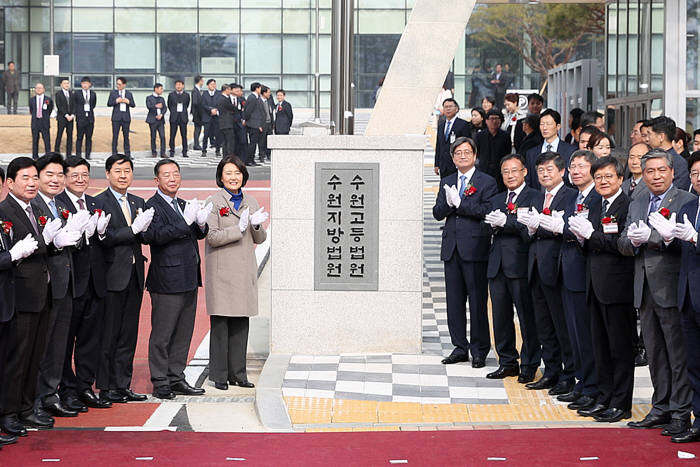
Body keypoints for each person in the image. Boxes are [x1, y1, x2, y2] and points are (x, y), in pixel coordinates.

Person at [620, 149, 696, 434]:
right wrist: (634, 242)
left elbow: (684, 243)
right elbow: (623, 241)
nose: (656, 176)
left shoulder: (686, 200)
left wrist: (655, 238)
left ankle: (680, 411)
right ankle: (660, 406)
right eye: (650, 171)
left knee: (677, 354)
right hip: (644, 287)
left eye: (661, 170)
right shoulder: (638, 200)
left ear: (672, 171)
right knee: (655, 353)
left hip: (672, 287)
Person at [568, 156, 634, 423]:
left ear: (620, 178)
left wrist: (590, 236)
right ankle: (604, 397)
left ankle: (621, 403)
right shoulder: (596, 204)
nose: (603, 181)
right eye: (598, 178)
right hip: (593, 284)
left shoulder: (625, 205)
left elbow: (618, 243)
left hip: (617, 287)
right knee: (600, 346)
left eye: (608, 177)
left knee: (619, 348)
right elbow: (593, 242)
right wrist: (582, 237)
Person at [142, 159, 210, 399]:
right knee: (162, 334)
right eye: (166, 175)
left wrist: (201, 223)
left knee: (183, 333)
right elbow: (152, 236)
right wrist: (186, 222)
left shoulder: (183, 204)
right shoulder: (152, 206)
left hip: (189, 277)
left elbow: (196, 233)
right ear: (156, 180)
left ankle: (176, 376)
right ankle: (160, 380)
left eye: (176, 174)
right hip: (167, 280)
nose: (172, 178)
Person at [542, 150, 601, 411]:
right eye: (573, 166)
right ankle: (581, 382)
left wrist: (561, 227)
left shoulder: (597, 196)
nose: (576, 171)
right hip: (566, 270)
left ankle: (591, 386)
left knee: (585, 335)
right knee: (573, 334)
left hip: (583, 273)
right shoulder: (574, 196)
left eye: (581, 166)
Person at [433, 137, 498, 367]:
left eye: (466, 152)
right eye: (458, 153)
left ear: (474, 155)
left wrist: (461, 204)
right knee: (454, 301)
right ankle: (459, 347)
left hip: (476, 248)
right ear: (452, 157)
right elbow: (437, 212)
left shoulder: (486, 182)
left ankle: (479, 349)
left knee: (478, 301)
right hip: (452, 249)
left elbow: (487, 211)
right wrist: (450, 203)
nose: (462, 156)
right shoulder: (448, 181)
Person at [95, 155, 154, 404]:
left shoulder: (137, 201)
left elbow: (145, 237)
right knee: (108, 333)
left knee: (129, 334)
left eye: (127, 171)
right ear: (108, 174)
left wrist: (146, 228)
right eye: (118, 171)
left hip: (134, 277)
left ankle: (122, 384)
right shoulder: (98, 202)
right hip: (111, 277)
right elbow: (105, 237)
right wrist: (132, 229)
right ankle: (106, 386)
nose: (123, 175)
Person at [205, 156, 268, 390]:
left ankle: (238, 374)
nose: (234, 177)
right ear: (221, 177)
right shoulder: (214, 202)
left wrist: (257, 225)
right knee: (221, 325)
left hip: (243, 272)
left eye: (238, 173)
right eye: (229, 173)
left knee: (241, 324)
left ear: (244, 176)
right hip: (222, 273)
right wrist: (238, 228)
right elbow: (211, 237)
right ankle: (219, 375)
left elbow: (259, 239)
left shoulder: (250, 200)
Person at [518, 152, 577, 395]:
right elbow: (525, 234)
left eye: (549, 170)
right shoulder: (536, 196)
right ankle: (550, 371)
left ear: (562, 172)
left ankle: (569, 374)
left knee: (562, 326)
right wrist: (532, 229)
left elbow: (566, 230)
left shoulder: (570, 196)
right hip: (535, 268)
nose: (544, 174)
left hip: (557, 269)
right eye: (540, 170)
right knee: (544, 326)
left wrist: (542, 227)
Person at [32, 154, 86, 422]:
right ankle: (34, 401)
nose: (55, 180)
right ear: (37, 177)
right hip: (42, 287)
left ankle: (50, 395)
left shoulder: (59, 205)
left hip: (65, 285)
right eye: (49, 175)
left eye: (59, 175)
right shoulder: (34, 207)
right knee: (39, 346)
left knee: (57, 346)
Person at [56, 156, 112, 411]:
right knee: (67, 339)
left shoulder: (94, 202)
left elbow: (103, 242)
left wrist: (100, 233)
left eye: (85, 175)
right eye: (75, 175)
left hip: (95, 281)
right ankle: (67, 390)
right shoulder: (59, 204)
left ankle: (84, 386)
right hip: (71, 283)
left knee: (90, 339)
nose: (80, 180)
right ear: (66, 178)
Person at [0, 157, 49, 436]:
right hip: (18, 296)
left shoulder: (36, 208)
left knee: (34, 356)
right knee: (17, 358)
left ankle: (27, 408)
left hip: (41, 292)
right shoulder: (4, 212)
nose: (32, 183)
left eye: (34, 178)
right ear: (10, 183)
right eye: (25, 179)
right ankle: (8, 412)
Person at [483, 153, 541, 383]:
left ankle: (529, 363)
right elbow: (485, 225)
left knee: (527, 317)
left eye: (514, 170)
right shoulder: (497, 199)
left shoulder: (534, 197)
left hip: (521, 265)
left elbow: (528, 230)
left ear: (524, 171)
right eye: (506, 171)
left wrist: (506, 223)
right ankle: (507, 361)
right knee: (500, 317)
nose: (510, 175)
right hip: (497, 266)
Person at [671, 151, 700, 443]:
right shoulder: (690, 206)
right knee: (694, 364)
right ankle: (698, 420)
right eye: (694, 173)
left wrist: (696, 238)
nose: (699, 177)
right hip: (688, 296)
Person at [525, 109, 576, 191]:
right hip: (538, 199)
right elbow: (528, 181)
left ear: (558, 126)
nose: (544, 128)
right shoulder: (531, 153)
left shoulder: (570, 151)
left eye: (548, 124)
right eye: (542, 124)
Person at [646, 116, 691, 191]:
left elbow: (677, 193)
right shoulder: (649, 158)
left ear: (661, 137)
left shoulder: (678, 163)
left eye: (649, 134)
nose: (647, 139)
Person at [476, 109, 512, 191]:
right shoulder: (480, 136)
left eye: (497, 119)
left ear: (501, 121)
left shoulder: (505, 136)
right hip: (484, 170)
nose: (494, 121)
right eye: (492, 119)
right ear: (486, 121)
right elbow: (477, 152)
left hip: (500, 172)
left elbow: (507, 153)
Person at [434, 98, 469, 178]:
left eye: (450, 106)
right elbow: (438, 145)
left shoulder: (463, 124)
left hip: (457, 164)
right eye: (445, 107)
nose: (448, 109)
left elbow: (467, 144)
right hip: (443, 165)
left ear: (456, 109)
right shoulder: (441, 126)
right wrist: (436, 164)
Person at [107, 77, 135, 157]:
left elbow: (133, 104)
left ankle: (127, 154)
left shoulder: (129, 94)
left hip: (126, 118)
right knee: (115, 136)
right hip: (116, 117)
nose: (118, 86)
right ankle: (114, 154)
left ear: (124, 85)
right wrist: (116, 101)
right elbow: (109, 103)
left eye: (119, 84)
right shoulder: (113, 93)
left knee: (126, 136)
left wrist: (128, 102)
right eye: (117, 84)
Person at [244, 82, 267, 167]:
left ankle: (251, 159)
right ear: (257, 88)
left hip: (256, 124)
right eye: (260, 88)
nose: (261, 90)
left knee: (254, 143)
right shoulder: (252, 98)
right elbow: (248, 111)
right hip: (253, 124)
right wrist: (245, 120)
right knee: (252, 143)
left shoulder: (256, 97)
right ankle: (249, 160)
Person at [74, 77, 96, 160]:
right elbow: (75, 104)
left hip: (90, 118)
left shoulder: (93, 94)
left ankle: (88, 154)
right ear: (81, 84)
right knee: (79, 137)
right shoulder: (77, 93)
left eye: (87, 83)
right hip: (80, 118)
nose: (85, 85)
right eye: (83, 83)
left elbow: (93, 105)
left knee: (89, 138)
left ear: (90, 84)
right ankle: (78, 154)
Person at [29, 83, 53, 160]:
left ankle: (48, 156)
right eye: (37, 88)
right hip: (35, 122)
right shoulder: (32, 99)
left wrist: (45, 116)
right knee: (35, 140)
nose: (39, 89)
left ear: (44, 89)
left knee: (46, 140)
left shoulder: (48, 99)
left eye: (40, 88)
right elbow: (31, 110)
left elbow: (50, 109)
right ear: (35, 90)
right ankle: (35, 156)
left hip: (44, 122)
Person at [167, 80, 190, 158]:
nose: (178, 86)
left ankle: (185, 152)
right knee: (172, 135)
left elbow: (187, 104)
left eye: (180, 85)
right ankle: (172, 151)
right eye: (177, 85)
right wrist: (174, 112)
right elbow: (169, 105)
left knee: (184, 135)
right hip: (174, 117)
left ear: (183, 86)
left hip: (183, 117)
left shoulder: (186, 95)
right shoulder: (171, 95)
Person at [54, 77, 75, 156]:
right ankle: (57, 152)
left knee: (70, 136)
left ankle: (68, 153)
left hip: (71, 118)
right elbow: (59, 106)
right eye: (64, 83)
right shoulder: (58, 94)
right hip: (62, 118)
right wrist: (66, 115)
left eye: (67, 83)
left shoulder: (72, 94)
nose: (66, 85)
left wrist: (72, 115)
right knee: (59, 135)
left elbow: (74, 105)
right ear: (61, 85)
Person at [201, 79, 222, 157]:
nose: (213, 86)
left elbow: (221, 104)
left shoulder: (219, 93)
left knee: (217, 134)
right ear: (208, 86)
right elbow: (203, 105)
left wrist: (216, 110)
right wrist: (210, 109)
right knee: (206, 134)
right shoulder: (204, 94)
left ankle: (218, 150)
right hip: (207, 117)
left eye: (214, 84)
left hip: (216, 117)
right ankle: (204, 150)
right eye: (211, 84)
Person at [146, 83, 166, 158]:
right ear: (156, 89)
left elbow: (165, 108)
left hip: (160, 120)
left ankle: (163, 153)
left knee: (162, 136)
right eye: (161, 89)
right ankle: (154, 152)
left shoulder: (162, 99)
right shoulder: (149, 98)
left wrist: (161, 114)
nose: (162, 90)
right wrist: (155, 106)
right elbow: (149, 106)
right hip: (152, 120)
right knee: (153, 136)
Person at [217, 84, 237, 157]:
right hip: (227, 123)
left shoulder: (222, 98)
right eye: (229, 90)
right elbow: (232, 108)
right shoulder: (223, 99)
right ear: (226, 90)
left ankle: (226, 156)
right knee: (229, 141)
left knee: (225, 141)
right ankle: (228, 156)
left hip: (224, 123)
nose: (230, 91)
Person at [230, 84, 247, 157]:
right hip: (230, 123)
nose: (239, 92)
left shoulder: (241, 99)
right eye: (237, 90)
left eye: (240, 90)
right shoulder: (227, 99)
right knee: (232, 142)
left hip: (239, 123)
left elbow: (244, 110)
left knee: (242, 141)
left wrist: (243, 119)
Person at [259, 86, 274, 162]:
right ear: (264, 93)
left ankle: (269, 154)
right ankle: (261, 155)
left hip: (269, 123)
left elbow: (271, 111)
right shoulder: (258, 101)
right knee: (262, 140)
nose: (269, 94)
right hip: (262, 123)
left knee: (269, 140)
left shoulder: (270, 100)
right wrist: (259, 125)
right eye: (268, 92)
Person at [191, 76, 204, 151]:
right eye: (202, 80)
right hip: (197, 113)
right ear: (200, 81)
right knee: (197, 128)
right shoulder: (195, 90)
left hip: (198, 112)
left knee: (198, 128)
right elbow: (195, 102)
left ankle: (197, 144)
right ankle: (196, 144)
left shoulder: (198, 90)